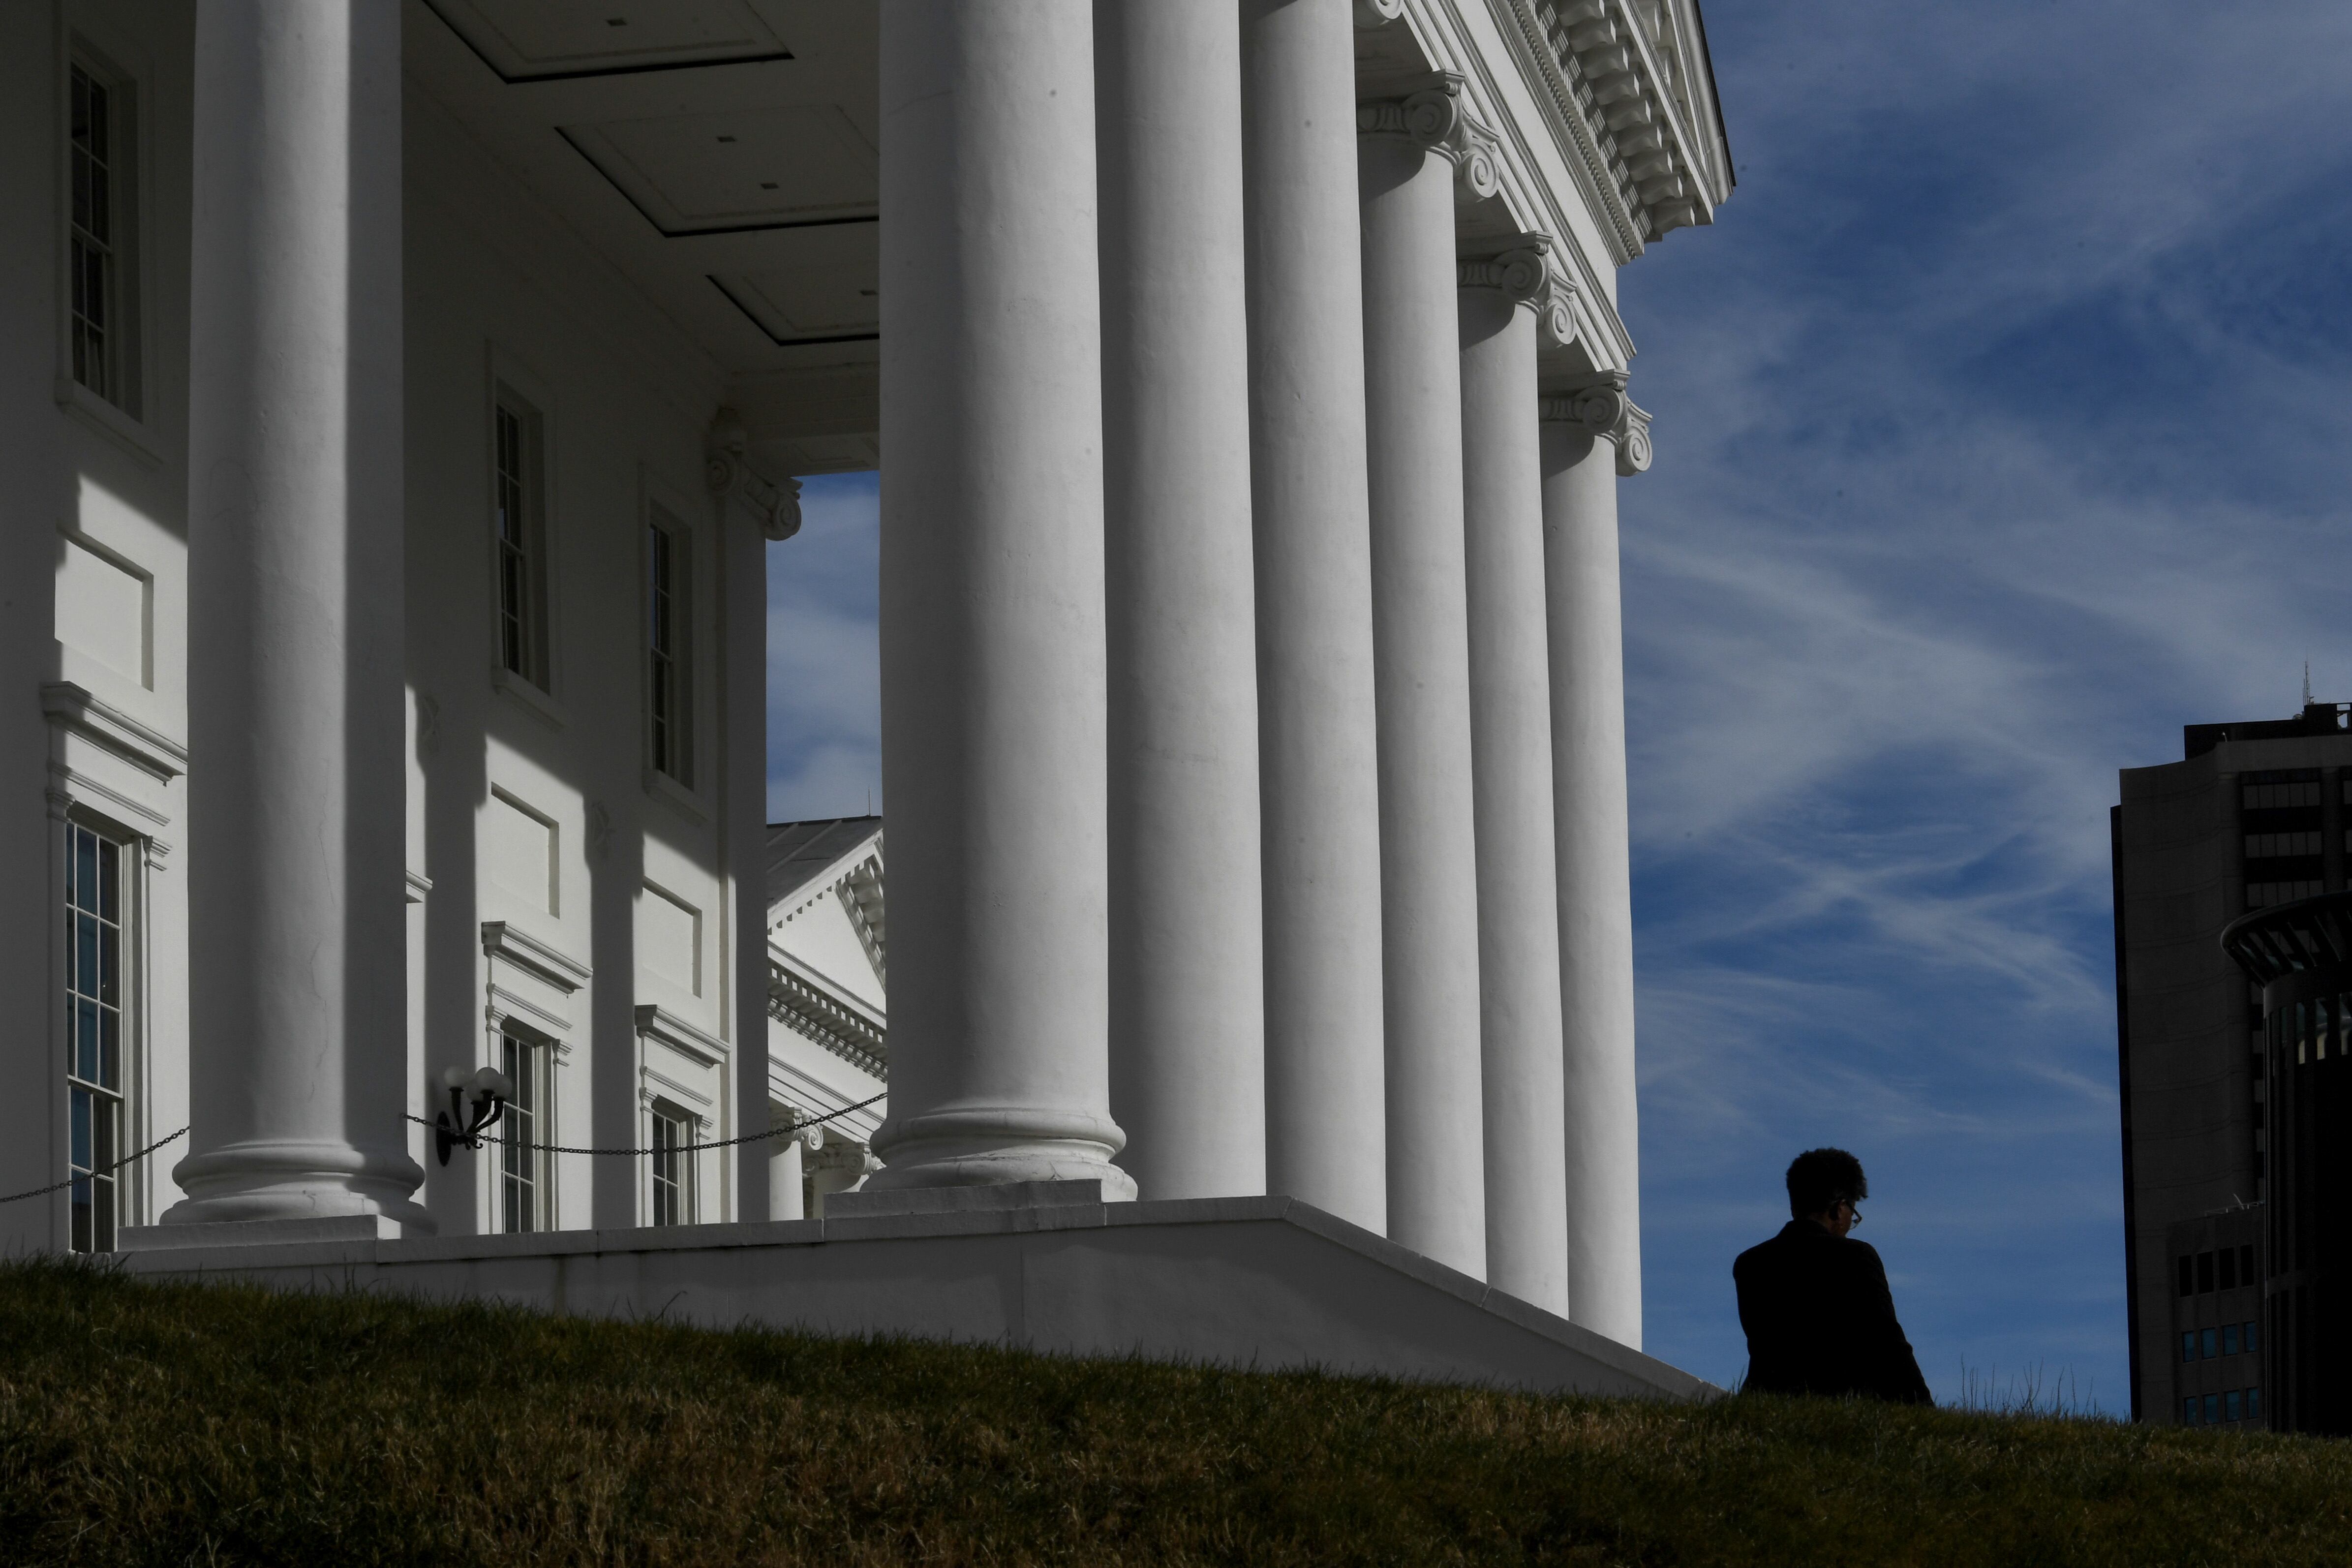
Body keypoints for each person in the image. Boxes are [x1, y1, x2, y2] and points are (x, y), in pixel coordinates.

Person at [1732, 1147, 1932, 1404]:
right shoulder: (1856, 1257)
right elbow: (1888, 1345)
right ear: (1840, 1209)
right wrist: (1923, 1408)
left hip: (1765, 1404)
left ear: (1794, 1205)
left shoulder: (1750, 1263)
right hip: (1844, 1410)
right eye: (1853, 1215)